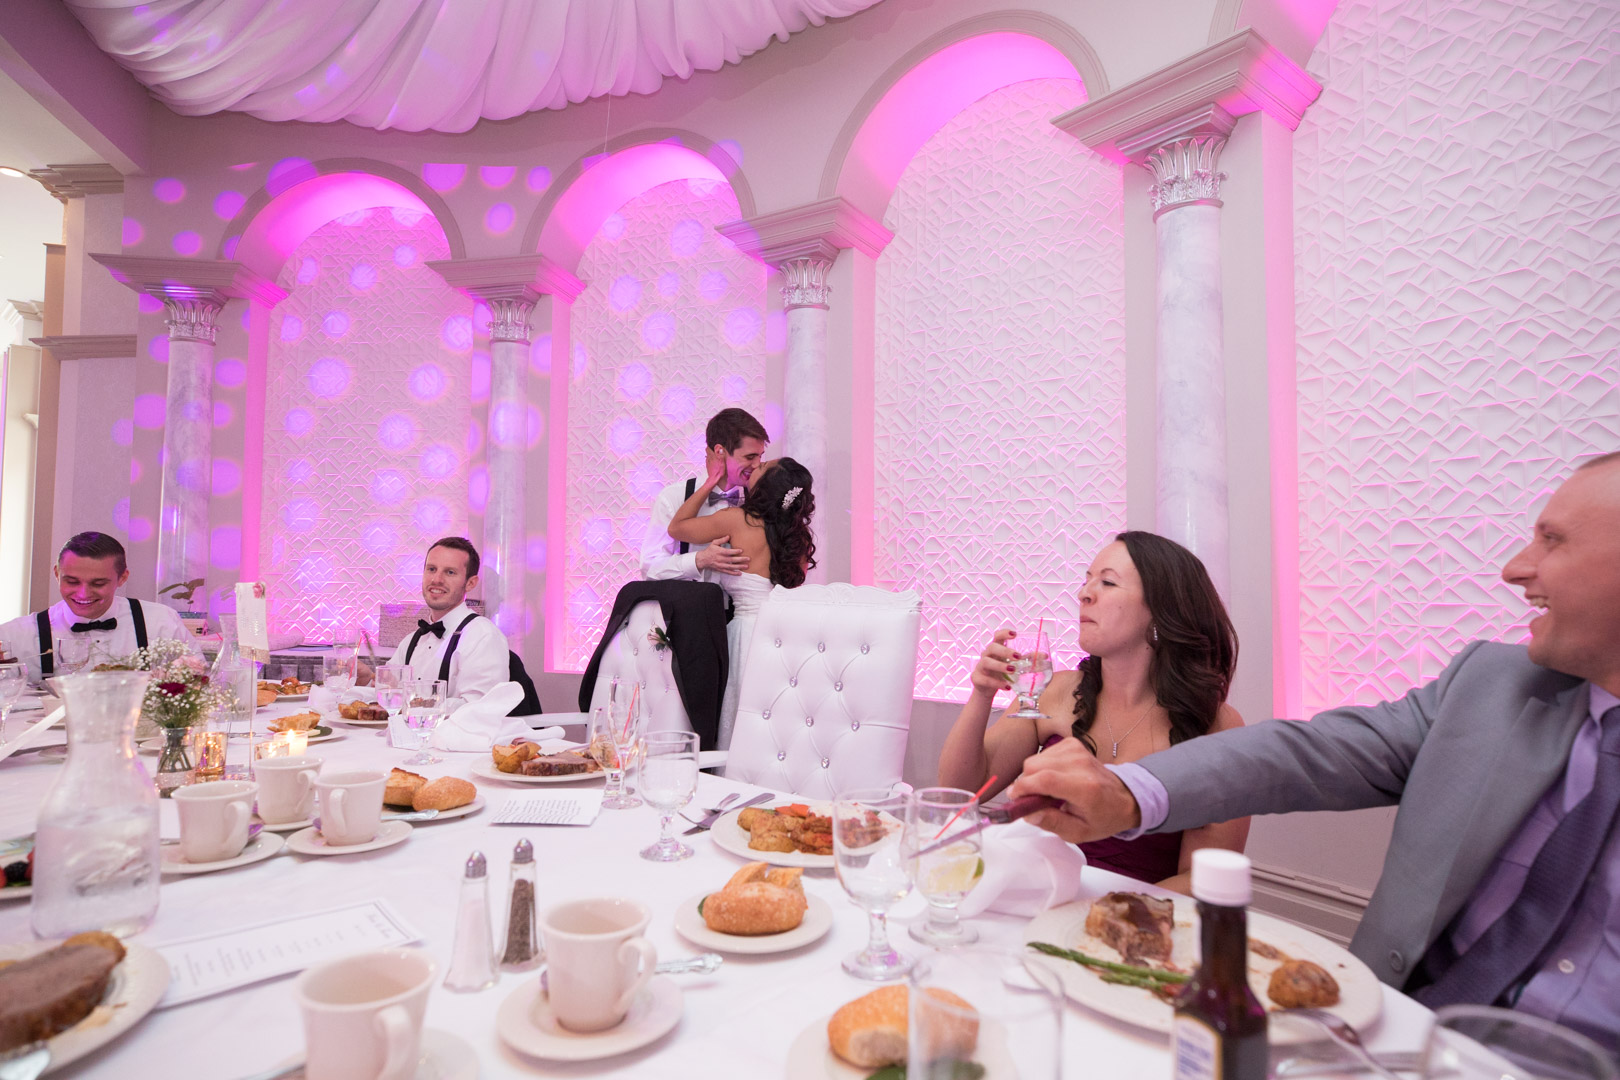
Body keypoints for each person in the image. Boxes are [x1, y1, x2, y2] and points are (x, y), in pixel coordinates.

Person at [1010, 452, 1620, 1049]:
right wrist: (1127, 791)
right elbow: (1302, 752)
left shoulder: (1208, 718)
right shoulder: (1492, 684)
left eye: (1553, 540)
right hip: (1400, 1039)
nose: (1515, 568)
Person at [938, 531, 1247, 893]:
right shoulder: (1055, 692)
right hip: (1041, 897)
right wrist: (981, 694)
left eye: (1108, 582)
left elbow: (1201, 878)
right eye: (1086, 581)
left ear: (1162, 610)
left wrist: (1101, 913)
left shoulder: (1217, 727)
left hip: (1135, 916)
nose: (1083, 594)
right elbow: (959, 789)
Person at [667, 453, 817, 747]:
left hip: (747, 636)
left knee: (741, 720)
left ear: (769, 485)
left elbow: (677, 527)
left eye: (762, 466)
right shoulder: (797, 537)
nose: (754, 466)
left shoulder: (738, 520)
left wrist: (709, 482)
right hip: (786, 638)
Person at [0, 532, 199, 684]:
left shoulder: (161, 622)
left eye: (98, 583)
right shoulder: (15, 636)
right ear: (57, 574)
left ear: (122, 578)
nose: (83, 593)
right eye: (72, 581)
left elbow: (198, 680)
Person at [374, 537, 514, 713]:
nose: (436, 579)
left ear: (470, 583)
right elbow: (389, 690)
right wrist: (367, 680)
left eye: (450, 572)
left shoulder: (483, 636)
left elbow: (480, 709)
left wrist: (418, 706)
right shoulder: (411, 641)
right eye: (431, 569)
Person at [640, 408, 767, 582]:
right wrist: (699, 560)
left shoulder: (763, 498)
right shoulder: (673, 497)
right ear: (720, 452)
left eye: (760, 456)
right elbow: (649, 567)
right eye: (750, 457)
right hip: (690, 599)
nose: (757, 465)